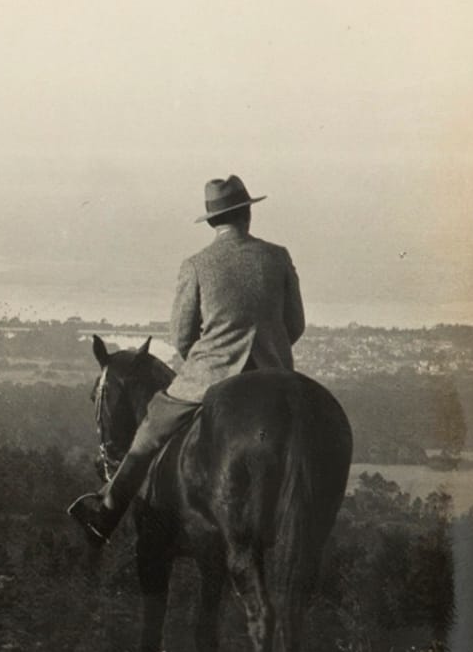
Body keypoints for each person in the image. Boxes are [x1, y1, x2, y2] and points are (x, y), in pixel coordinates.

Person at [68, 175, 305, 545]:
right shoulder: (278, 256)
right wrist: (269, 352)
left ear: (212, 221)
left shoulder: (196, 264)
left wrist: (213, 357)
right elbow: (296, 324)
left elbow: (181, 337)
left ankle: (106, 514)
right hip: (274, 377)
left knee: (147, 434)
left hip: (210, 378)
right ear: (248, 214)